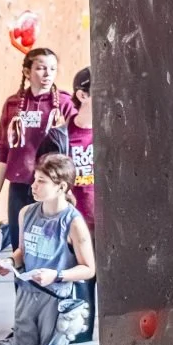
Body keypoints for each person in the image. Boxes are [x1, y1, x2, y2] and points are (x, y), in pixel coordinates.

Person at [0, 154, 95, 345]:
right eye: (35, 179)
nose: (34, 186)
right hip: (26, 294)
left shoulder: (73, 223)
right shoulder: (27, 212)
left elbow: (89, 269)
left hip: (55, 297)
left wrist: (57, 276)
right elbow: (23, 252)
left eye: (42, 181)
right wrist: (10, 261)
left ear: (61, 187)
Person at [0, 48, 76, 247]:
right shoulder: (13, 104)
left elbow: (76, 146)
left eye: (52, 69)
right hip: (20, 186)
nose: (47, 74)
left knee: (48, 246)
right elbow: (3, 151)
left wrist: (70, 189)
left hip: (52, 186)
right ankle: (20, 280)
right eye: (41, 68)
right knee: (19, 244)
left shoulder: (64, 103)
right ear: (27, 72)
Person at [67, 67, 95, 236]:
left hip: (111, 228)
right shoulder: (61, 135)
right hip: (75, 226)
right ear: (83, 95)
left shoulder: (114, 133)